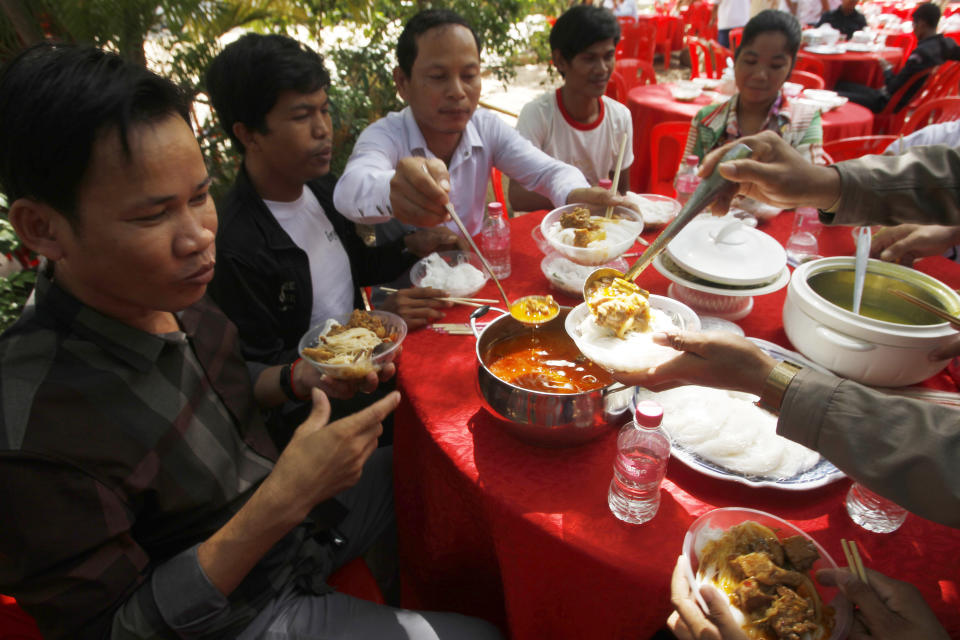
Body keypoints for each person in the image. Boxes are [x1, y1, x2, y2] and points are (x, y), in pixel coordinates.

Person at [0, 43, 501, 640]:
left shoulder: (173, 290)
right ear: (41, 228)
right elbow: (113, 628)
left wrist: (297, 377)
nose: (198, 238)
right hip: (246, 606)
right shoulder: (33, 425)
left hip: (297, 526)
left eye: (197, 196)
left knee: (442, 482)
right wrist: (286, 497)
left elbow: (232, 385)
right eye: (152, 215)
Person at [204, 34, 466, 442]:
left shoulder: (322, 189)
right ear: (248, 134)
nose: (323, 129)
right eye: (301, 115)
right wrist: (365, 329)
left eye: (324, 110)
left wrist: (412, 245)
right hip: (313, 423)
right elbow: (252, 374)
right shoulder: (236, 245)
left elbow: (356, 265)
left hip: (366, 364)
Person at [332, 8, 630, 242]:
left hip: (474, 272)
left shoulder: (486, 127)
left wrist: (575, 193)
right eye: (438, 77)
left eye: (469, 75)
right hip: (407, 288)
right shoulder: (385, 135)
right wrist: (392, 190)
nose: (458, 91)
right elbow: (349, 190)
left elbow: (549, 171)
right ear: (402, 82)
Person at [510, 5, 634, 212]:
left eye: (608, 56)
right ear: (560, 61)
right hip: (544, 229)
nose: (603, 68)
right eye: (589, 58)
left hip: (594, 231)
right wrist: (578, 196)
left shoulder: (620, 118)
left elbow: (620, 192)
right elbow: (518, 197)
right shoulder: (537, 116)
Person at [685, 10, 823, 165]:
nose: (760, 75)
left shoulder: (804, 121)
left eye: (775, 66)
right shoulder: (707, 120)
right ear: (735, 61)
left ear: (790, 70)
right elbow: (687, 180)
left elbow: (811, 184)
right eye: (750, 61)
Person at [835, 3, 960, 113]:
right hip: (909, 97)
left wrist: (887, 69)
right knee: (843, 84)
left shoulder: (920, 54)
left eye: (914, 25)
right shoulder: (947, 44)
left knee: (835, 93)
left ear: (921, 24)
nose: (913, 29)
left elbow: (892, 87)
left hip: (889, 102)